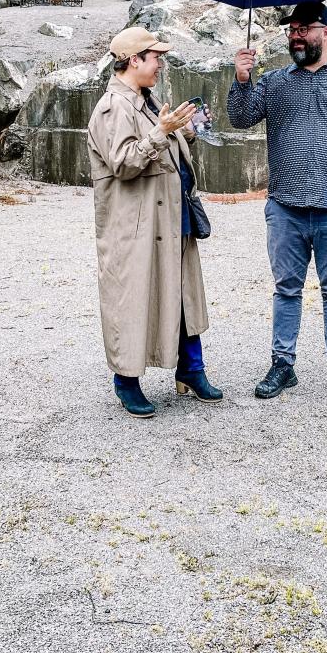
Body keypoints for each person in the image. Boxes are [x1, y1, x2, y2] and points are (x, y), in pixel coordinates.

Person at [227, 0, 327, 402]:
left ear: (326, 33)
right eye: (291, 30)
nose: (295, 35)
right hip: (285, 209)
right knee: (286, 290)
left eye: (304, 28)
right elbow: (241, 118)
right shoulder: (276, 82)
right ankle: (283, 364)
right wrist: (242, 79)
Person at [87, 26, 223, 417]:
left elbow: (164, 148)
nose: (160, 64)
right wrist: (162, 133)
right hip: (137, 229)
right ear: (134, 60)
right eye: (155, 57)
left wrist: (187, 131)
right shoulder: (113, 107)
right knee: (133, 301)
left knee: (182, 296)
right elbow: (125, 163)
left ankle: (191, 370)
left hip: (169, 220)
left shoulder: (146, 101)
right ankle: (126, 381)